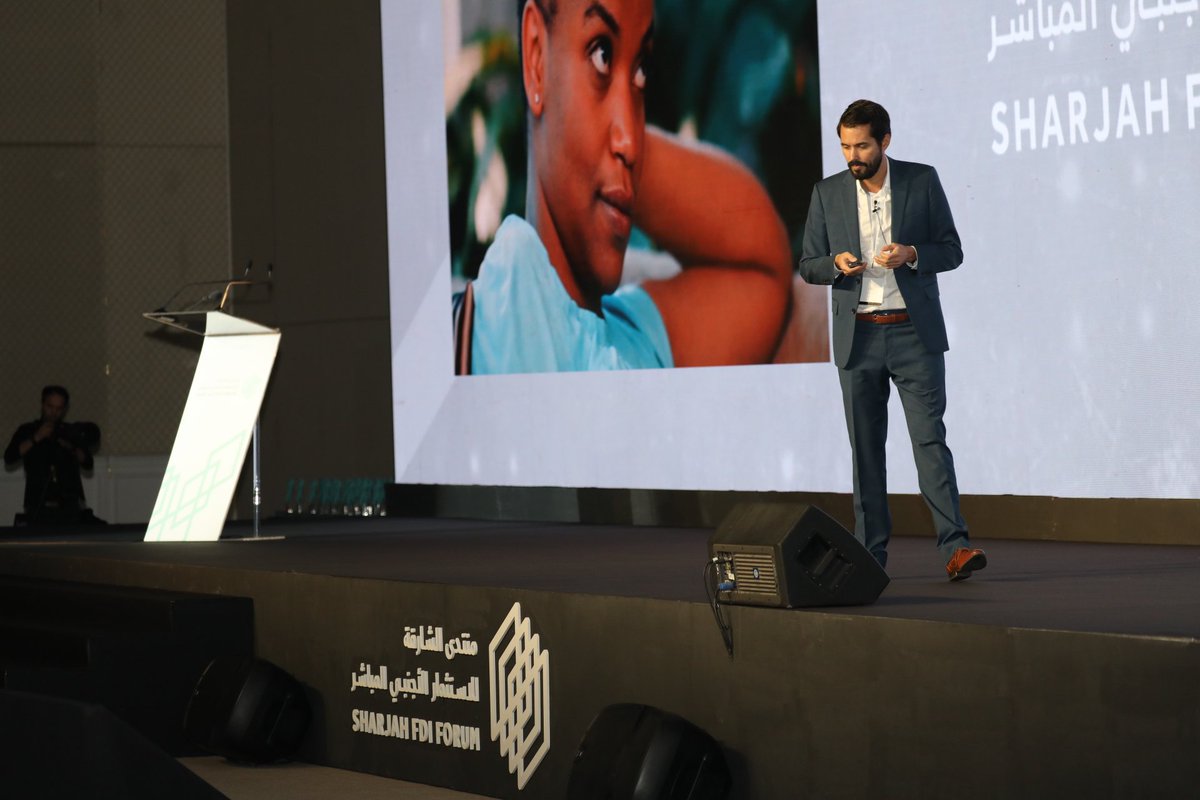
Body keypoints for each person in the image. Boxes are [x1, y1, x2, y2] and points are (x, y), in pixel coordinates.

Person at [459, 0, 793, 374]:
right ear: (537, 59)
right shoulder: (504, 307)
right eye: (601, 54)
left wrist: (603, 153)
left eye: (641, 70)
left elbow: (762, 265)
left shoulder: (638, 341)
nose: (632, 142)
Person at [798, 99, 986, 581]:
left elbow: (952, 250)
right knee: (866, 452)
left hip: (913, 334)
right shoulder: (827, 192)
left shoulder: (921, 181)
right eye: (845, 147)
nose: (852, 156)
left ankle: (956, 547)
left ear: (885, 141)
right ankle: (870, 556)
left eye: (861, 146)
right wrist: (835, 264)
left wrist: (913, 253)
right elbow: (808, 264)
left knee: (930, 441)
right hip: (858, 336)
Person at [4, 385, 99, 525]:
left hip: (70, 505)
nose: (54, 412)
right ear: (43, 405)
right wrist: (36, 437)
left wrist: (71, 448)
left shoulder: (69, 431)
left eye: (59, 408)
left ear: (64, 409)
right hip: (38, 504)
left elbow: (88, 463)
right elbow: (10, 457)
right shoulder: (27, 430)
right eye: (50, 407)